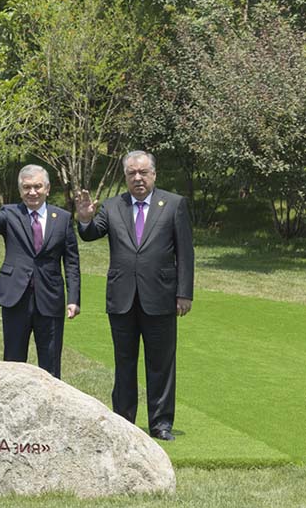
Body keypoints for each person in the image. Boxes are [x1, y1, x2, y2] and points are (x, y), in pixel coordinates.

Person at [75, 150, 194, 441]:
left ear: (154, 174)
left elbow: (185, 252)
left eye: (143, 173)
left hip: (161, 297)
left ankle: (161, 423)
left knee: (161, 364)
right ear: (125, 177)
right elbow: (91, 234)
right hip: (122, 298)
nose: (138, 178)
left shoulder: (174, 204)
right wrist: (84, 217)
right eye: (132, 174)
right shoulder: (113, 206)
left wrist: (184, 293)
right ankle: (124, 421)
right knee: (124, 362)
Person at [0, 165, 80, 378]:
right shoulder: (10, 213)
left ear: (47, 188)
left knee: (51, 363)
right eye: (27, 187)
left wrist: (73, 298)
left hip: (50, 298)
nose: (32, 192)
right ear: (20, 190)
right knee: (13, 363)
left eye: (37, 186)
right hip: (15, 297)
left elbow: (71, 262)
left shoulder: (62, 218)